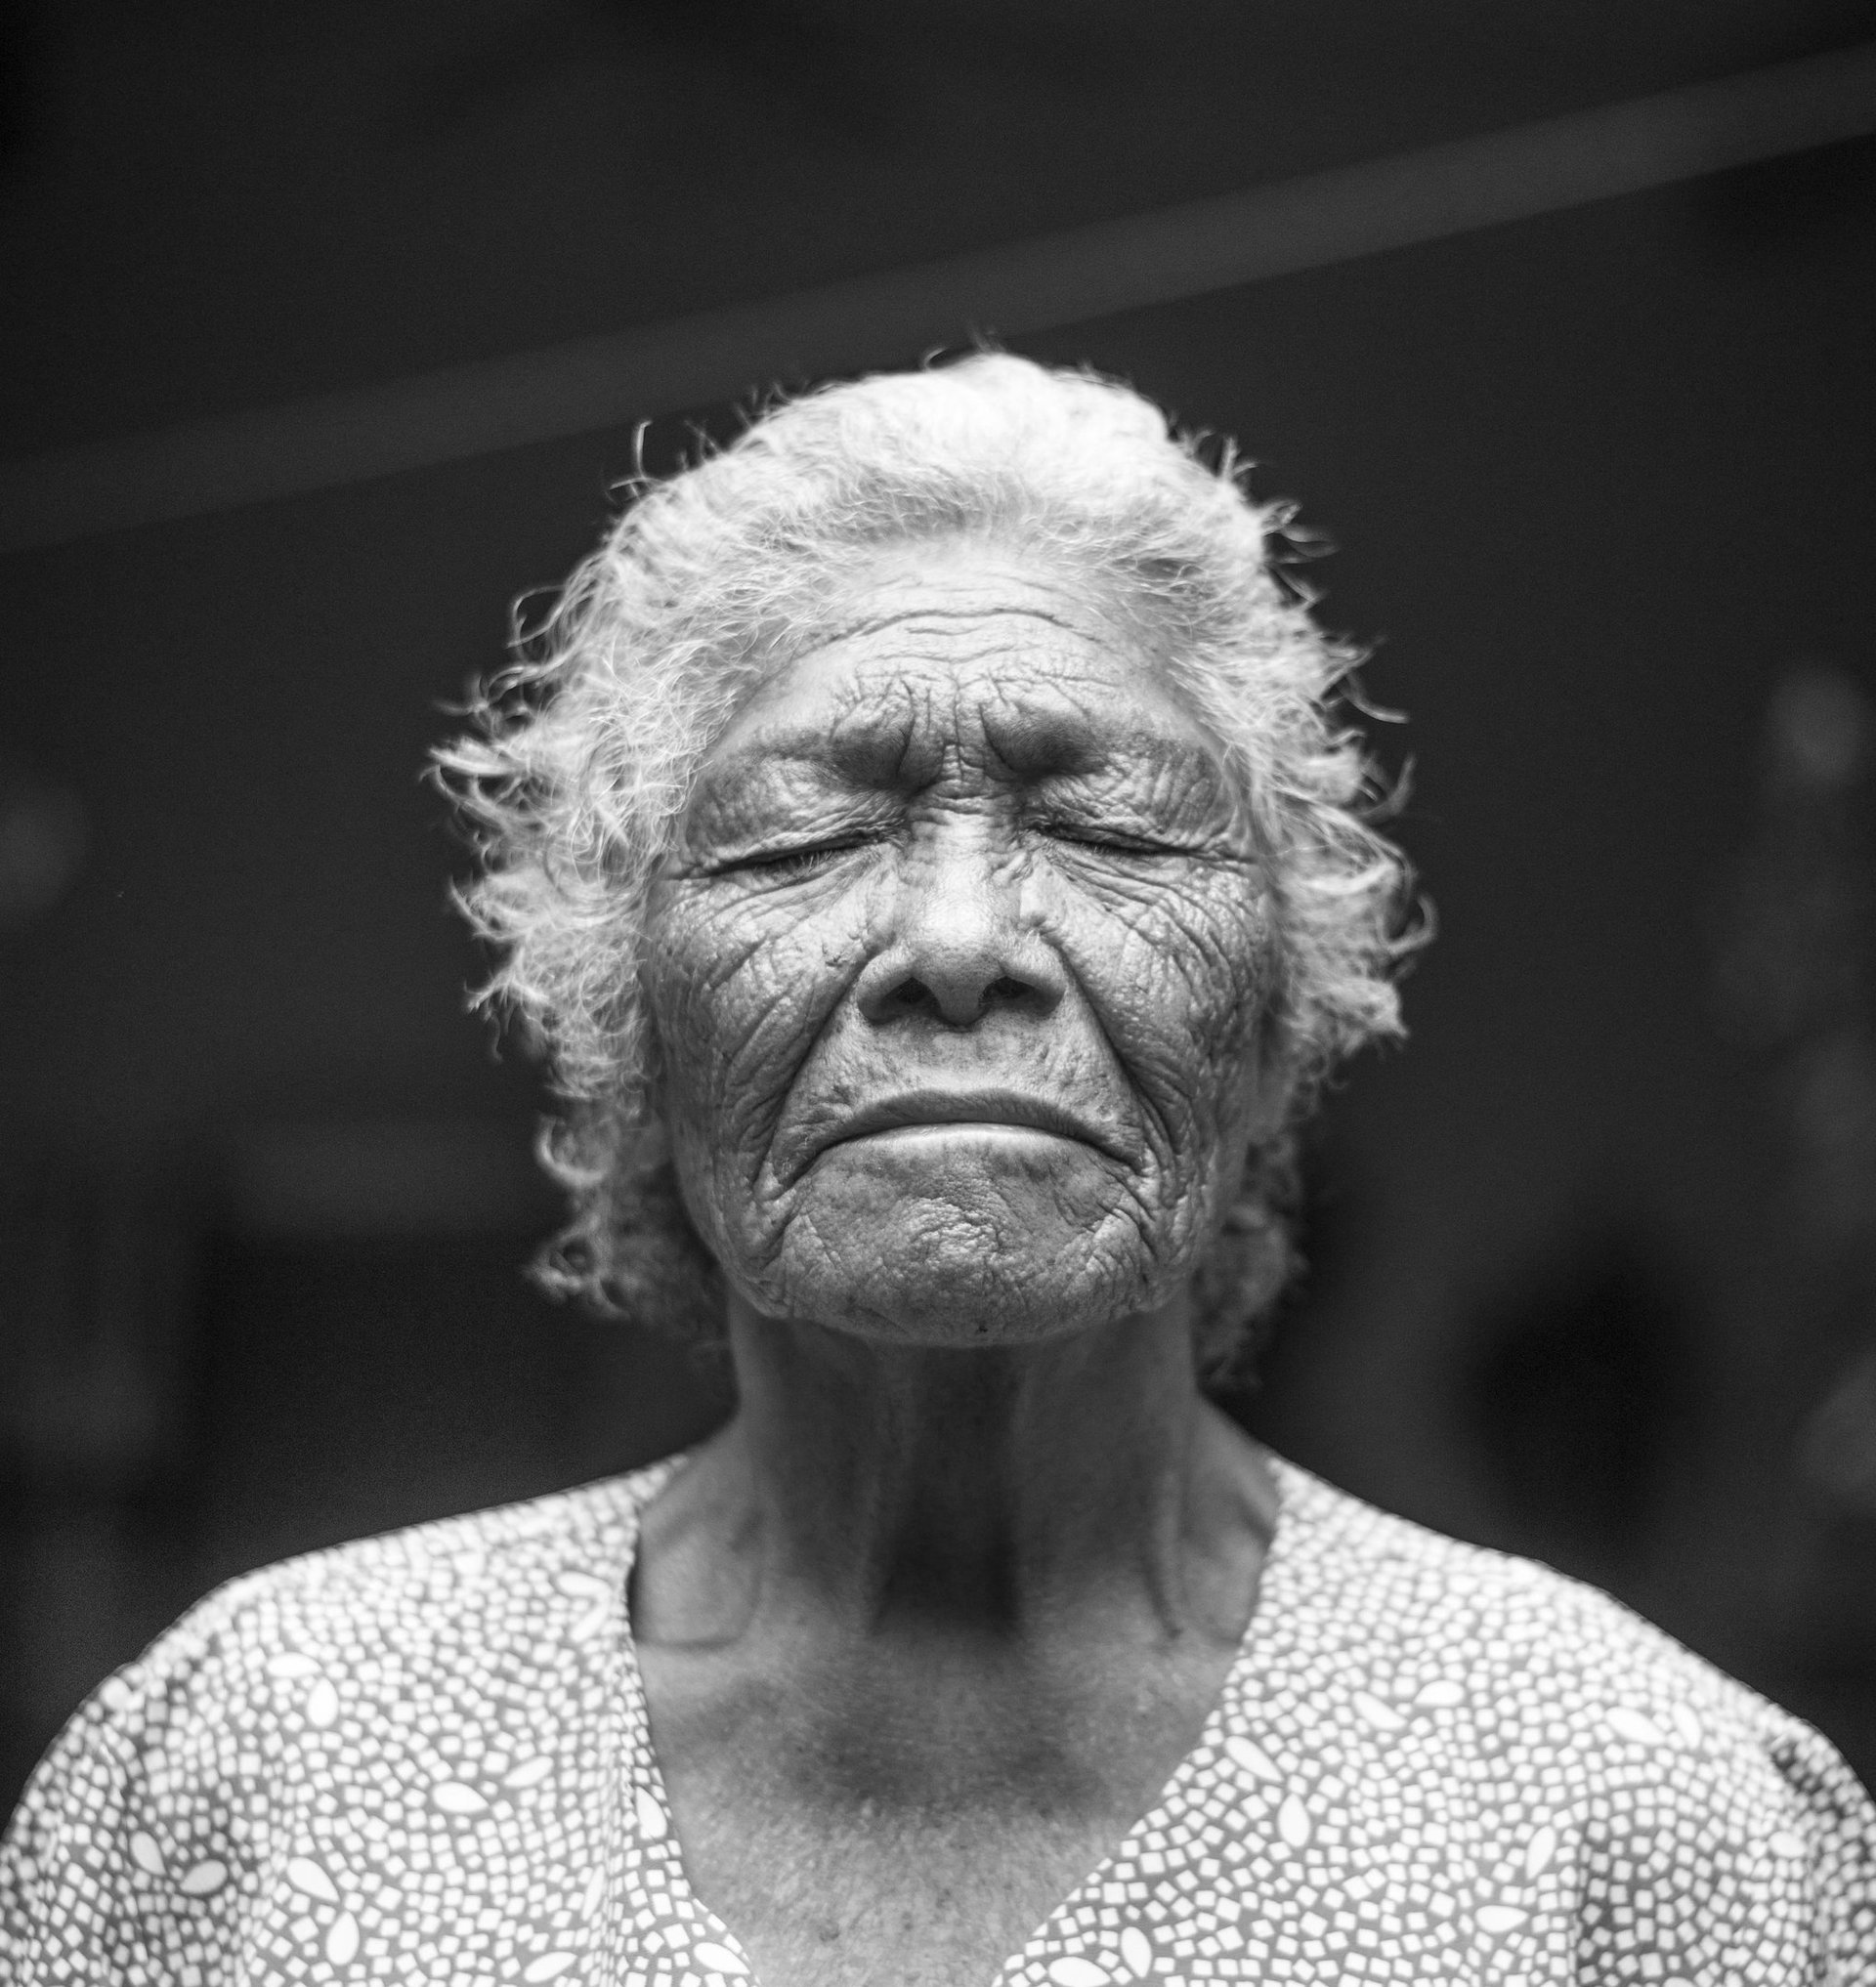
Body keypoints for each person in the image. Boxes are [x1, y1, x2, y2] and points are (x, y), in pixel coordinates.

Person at [3, 355, 1871, 1986]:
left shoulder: (1646, 1821)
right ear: (627, 1024)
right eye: (810, 831)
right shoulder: (256, 1763)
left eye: (1108, 824)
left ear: (1276, 1020)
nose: (963, 936)